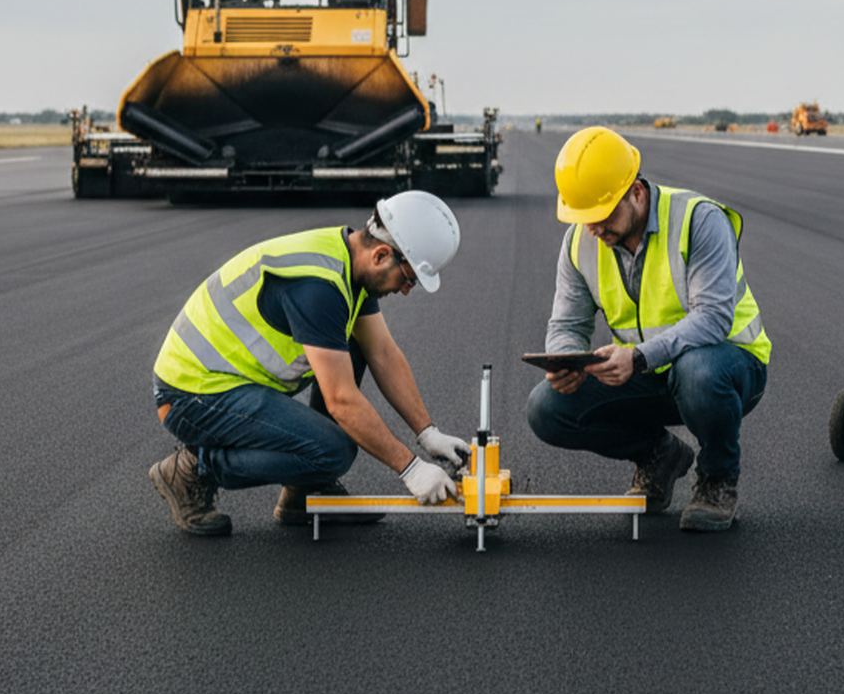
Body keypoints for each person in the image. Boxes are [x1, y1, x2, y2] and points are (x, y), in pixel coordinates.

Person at [147, 191, 473, 536]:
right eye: (408, 278)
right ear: (381, 255)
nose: (406, 289)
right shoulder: (317, 286)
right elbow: (342, 401)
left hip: (230, 382)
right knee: (333, 451)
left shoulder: (348, 262)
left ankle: (305, 491)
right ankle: (193, 470)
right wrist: (410, 468)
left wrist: (427, 433)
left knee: (357, 343)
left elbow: (383, 352)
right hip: (192, 395)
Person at [526, 127, 772, 532]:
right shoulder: (580, 242)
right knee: (546, 408)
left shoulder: (699, 219)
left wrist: (639, 357)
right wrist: (567, 359)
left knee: (698, 372)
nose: (593, 229)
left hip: (727, 368)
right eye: (585, 218)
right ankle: (659, 455)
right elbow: (567, 323)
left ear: (637, 193)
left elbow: (713, 318)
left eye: (603, 215)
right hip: (644, 373)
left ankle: (717, 479)